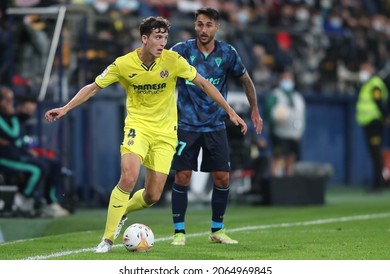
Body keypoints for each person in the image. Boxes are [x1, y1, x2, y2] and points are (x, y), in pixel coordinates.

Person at [44, 16, 247, 253]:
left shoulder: (173, 60)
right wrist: (65, 108)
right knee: (129, 177)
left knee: (152, 196)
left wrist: (230, 111)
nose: (163, 43)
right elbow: (93, 87)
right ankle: (107, 239)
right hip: (137, 128)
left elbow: (203, 83)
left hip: (165, 135)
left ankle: (124, 211)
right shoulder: (123, 64)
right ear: (144, 38)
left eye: (165, 37)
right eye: (158, 37)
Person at [168, 7, 262, 246]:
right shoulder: (181, 51)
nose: (203, 29)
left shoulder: (228, 53)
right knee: (182, 176)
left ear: (217, 27)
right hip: (187, 125)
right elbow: (163, 77)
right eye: (199, 24)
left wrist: (254, 109)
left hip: (215, 125)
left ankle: (217, 230)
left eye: (208, 25)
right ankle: (179, 232)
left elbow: (246, 80)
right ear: (195, 25)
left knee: (222, 178)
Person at [0, 86, 69, 217]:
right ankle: (22, 200)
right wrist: (14, 115)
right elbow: (13, 134)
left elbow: (14, 135)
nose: (10, 104)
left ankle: (50, 202)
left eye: (11, 100)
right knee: (38, 168)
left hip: (16, 155)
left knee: (54, 165)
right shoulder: (8, 117)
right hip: (5, 159)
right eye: (7, 100)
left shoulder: (10, 117)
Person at [356, 61, 390, 192]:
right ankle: (377, 182)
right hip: (368, 123)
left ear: (371, 68)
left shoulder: (375, 84)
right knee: (373, 153)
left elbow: (379, 102)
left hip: (374, 123)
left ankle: (379, 183)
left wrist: (385, 117)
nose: (362, 71)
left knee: (376, 153)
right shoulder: (367, 84)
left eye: (364, 68)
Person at [265, 69, 305, 176]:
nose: (287, 80)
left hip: (293, 135)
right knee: (278, 158)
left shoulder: (298, 97)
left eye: (289, 78)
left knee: (291, 159)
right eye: (285, 78)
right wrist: (273, 122)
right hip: (279, 134)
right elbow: (269, 112)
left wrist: (299, 133)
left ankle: (288, 186)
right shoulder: (275, 95)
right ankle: (275, 184)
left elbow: (301, 116)